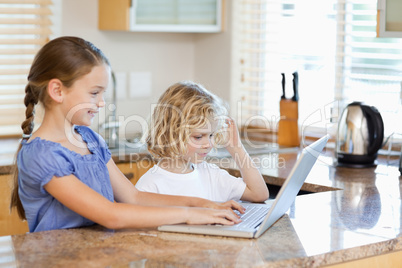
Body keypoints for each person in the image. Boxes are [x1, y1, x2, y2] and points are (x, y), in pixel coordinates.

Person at [9, 36, 244, 233]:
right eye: (94, 93)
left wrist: (201, 204)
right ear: (57, 90)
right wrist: (189, 215)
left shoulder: (89, 139)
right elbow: (111, 215)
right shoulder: (41, 155)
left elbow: (133, 197)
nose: (101, 103)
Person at [135, 81, 269, 203]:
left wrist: (237, 148)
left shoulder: (211, 174)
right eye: (198, 137)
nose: (208, 144)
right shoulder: (150, 186)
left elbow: (259, 194)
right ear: (171, 135)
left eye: (211, 135)